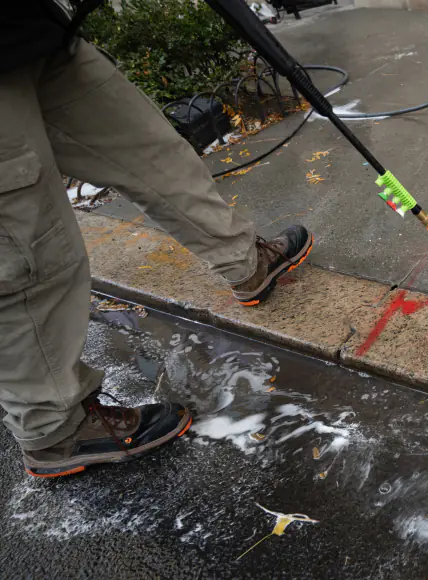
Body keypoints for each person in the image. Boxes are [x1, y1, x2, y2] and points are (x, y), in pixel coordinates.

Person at [0, 3, 312, 477]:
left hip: (32, 33)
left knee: (155, 154)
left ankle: (245, 262)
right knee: (29, 249)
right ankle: (52, 429)